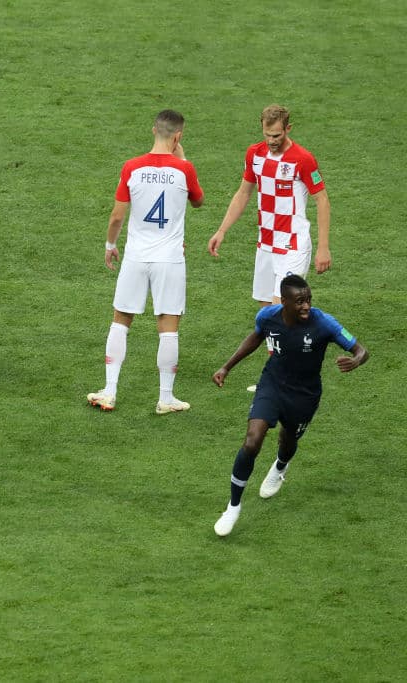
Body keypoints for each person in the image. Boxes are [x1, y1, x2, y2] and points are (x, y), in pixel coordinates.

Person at [212, 275, 368, 537]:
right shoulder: (268, 317)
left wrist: (356, 361)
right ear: (283, 302)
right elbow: (256, 338)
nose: (306, 306)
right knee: (252, 441)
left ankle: (280, 466)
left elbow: (361, 350)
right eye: (299, 301)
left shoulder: (324, 323)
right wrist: (226, 367)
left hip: (304, 395)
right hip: (272, 385)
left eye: (308, 299)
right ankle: (233, 506)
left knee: (287, 440)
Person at [86, 110, 204, 415]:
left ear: (154, 130)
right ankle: (166, 397)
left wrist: (111, 245)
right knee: (168, 327)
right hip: (169, 260)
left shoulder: (132, 167)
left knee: (120, 320)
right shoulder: (184, 169)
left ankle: (109, 391)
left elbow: (116, 216)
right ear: (178, 136)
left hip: (136, 257)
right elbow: (198, 200)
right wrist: (183, 158)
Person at [208, 104, 331, 307]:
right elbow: (243, 193)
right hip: (265, 245)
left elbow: (323, 201)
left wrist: (323, 247)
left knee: (281, 310)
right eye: (268, 135)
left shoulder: (303, 159)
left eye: (277, 135)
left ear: (288, 129)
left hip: (293, 245)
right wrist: (222, 230)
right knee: (266, 315)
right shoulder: (254, 154)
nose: (272, 141)